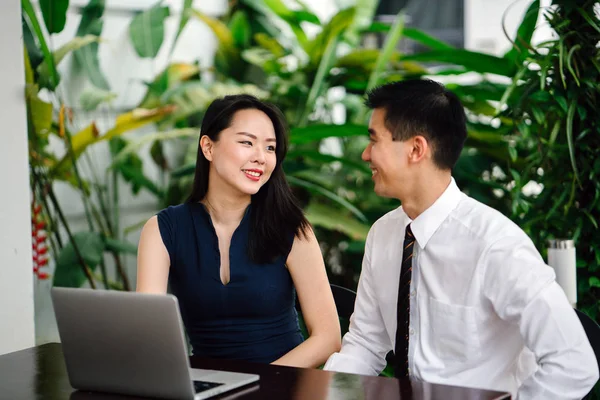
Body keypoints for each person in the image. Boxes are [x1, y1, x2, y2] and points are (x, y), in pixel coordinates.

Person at [323, 79, 599, 397]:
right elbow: (366, 345)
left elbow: (574, 363)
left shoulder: (496, 246)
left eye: (374, 140)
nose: (365, 154)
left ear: (416, 149)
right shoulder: (384, 234)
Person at [137, 94, 341, 367]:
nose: (261, 158)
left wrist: (259, 386)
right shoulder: (163, 230)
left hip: (283, 386)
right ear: (208, 148)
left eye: (270, 148)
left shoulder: (291, 228)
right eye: (247, 142)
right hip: (207, 387)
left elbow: (328, 338)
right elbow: (147, 333)